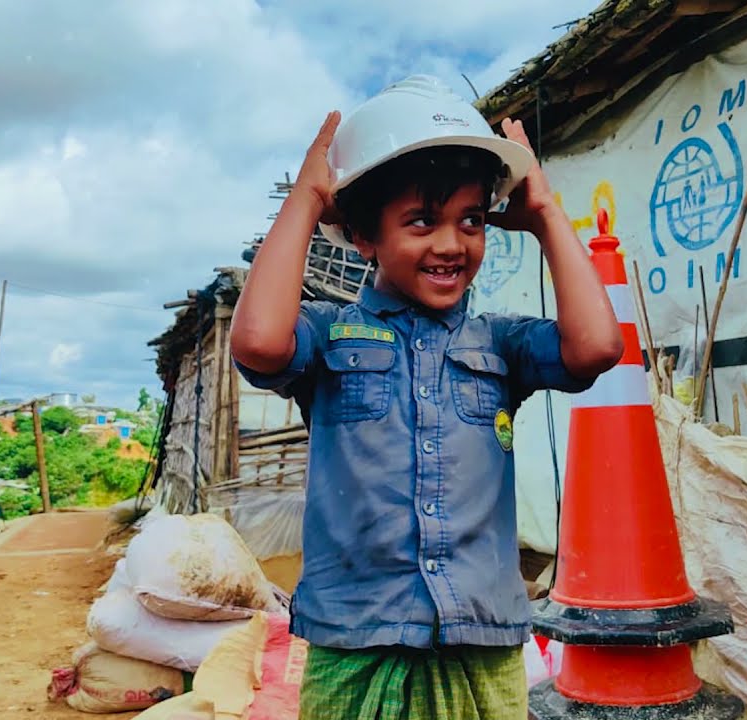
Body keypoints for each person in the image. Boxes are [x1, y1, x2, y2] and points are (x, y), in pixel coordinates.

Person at [230, 75, 624, 720]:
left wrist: (548, 216)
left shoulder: (503, 342)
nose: (450, 243)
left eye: (471, 221)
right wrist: (305, 199)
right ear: (363, 236)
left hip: (481, 638)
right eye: (420, 221)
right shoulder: (332, 336)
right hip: (358, 637)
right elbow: (259, 342)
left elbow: (596, 348)